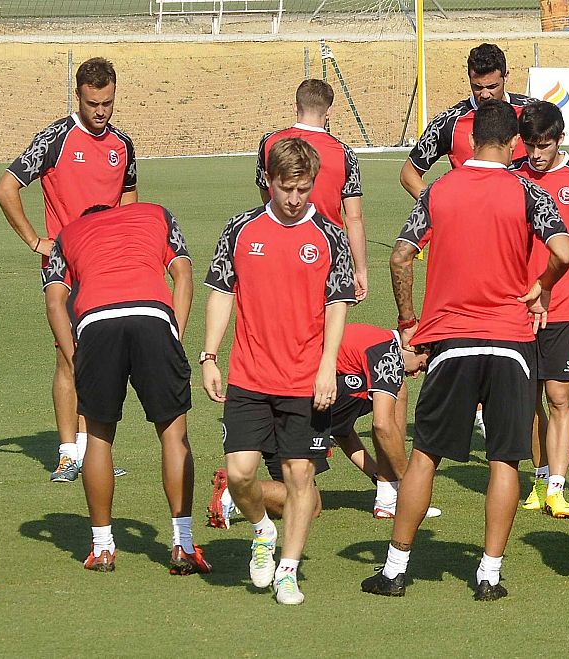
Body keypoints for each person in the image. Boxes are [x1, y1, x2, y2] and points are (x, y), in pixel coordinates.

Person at [361, 100, 569, 601]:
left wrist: (410, 321)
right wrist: (542, 285)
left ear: (473, 137)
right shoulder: (526, 190)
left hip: (452, 341)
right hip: (511, 343)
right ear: (515, 143)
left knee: (426, 456)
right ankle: (489, 576)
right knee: (504, 459)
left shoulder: (439, 189)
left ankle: (394, 570)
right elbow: (563, 251)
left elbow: (399, 257)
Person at [202, 137, 357, 605]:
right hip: (248, 375)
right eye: (285, 189)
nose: (293, 200)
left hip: (305, 380)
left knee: (299, 477)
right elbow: (223, 293)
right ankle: (262, 530)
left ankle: (288, 570)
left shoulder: (330, 236)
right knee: (240, 473)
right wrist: (210, 355)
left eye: (303, 190)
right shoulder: (241, 229)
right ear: (267, 181)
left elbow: (337, 305)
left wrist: (327, 367)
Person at [42, 202, 205, 574]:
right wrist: (174, 333)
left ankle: (102, 548)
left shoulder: (68, 234)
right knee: (173, 433)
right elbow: (183, 274)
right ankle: (182, 543)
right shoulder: (156, 213)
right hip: (153, 314)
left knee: (98, 436)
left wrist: (73, 354)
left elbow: (55, 301)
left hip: (96, 323)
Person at [0, 57, 137, 482]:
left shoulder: (123, 145)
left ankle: (95, 450)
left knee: (102, 360)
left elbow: (129, 200)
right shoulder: (54, 138)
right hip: (66, 267)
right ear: (79, 95)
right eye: (94, 103)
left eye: (108, 103)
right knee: (67, 356)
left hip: (108, 268)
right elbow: (5, 188)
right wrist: (37, 241)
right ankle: (67, 454)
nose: (101, 112)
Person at [206, 323, 439, 527]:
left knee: (311, 506)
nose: (417, 374)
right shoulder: (385, 352)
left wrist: (377, 474)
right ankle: (235, 490)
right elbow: (382, 425)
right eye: (422, 365)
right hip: (291, 415)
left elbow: (342, 430)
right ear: (413, 347)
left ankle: (235, 491)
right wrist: (411, 486)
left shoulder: (372, 344)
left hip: (276, 412)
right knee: (394, 390)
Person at [512, 100, 569, 520]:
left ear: (560, 139)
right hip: (519, 304)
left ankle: (557, 489)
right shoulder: (514, 177)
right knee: (529, 398)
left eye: (544, 145)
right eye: (529, 144)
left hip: (565, 305)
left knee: (559, 395)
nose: (535, 154)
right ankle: (538, 476)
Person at [257, 79, 368, 300]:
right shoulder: (344, 153)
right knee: (327, 325)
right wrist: (360, 270)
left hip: (278, 247)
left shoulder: (269, 143)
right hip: (327, 251)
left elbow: (266, 193)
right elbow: (354, 218)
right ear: (329, 112)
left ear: (296, 106)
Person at [400, 43, 537, 198]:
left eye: (492, 86)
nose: (485, 94)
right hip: (473, 219)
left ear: (506, 76)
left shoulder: (532, 112)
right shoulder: (448, 123)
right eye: (477, 87)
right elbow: (409, 174)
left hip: (521, 218)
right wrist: (438, 207)